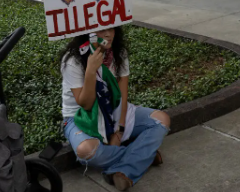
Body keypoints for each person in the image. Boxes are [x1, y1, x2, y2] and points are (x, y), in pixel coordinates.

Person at [60, 27, 171, 191]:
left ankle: (124, 168)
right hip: (80, 117)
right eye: (99, 30)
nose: (107, 34)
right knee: (86, 152)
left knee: (161, 120)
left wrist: (118, 132)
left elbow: (122, 96)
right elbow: (86, 104)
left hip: (113, 111)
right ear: (87, 33)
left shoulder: (119, 53)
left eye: (111, 28)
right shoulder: (73, 60)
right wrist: (90, 71)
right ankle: (144, 155)